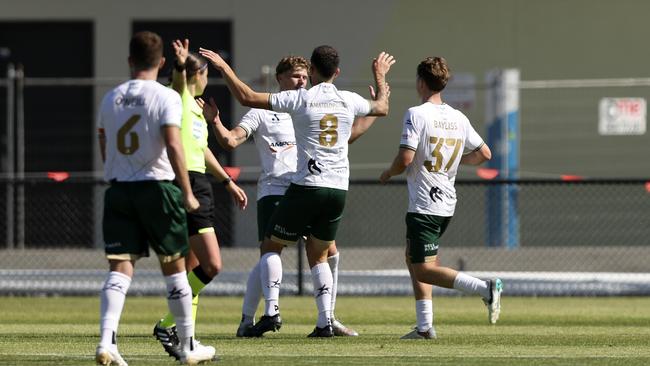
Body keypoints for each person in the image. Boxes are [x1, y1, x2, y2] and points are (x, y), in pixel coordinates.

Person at [199, 45, 394, 337]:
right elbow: (231, 138)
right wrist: (380, 81)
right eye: (294, 76)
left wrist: (224, 68)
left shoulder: (303, 102)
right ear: (279, 79)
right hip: (287, 189)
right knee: (279, 252)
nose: (300, 81)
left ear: (313, 73)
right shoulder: (282, 108)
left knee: (310, 252)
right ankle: (258, 317)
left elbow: (350, 134)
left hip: (305, 187)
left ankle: (324, 317)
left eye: (304, 75)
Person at [95, 31, 215, 366]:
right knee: (176, 270)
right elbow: (174, 145)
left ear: (130, 60)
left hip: (119, 189)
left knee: (120, 269)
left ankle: (107, 342)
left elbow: (104, 140)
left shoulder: (111, 98)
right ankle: (188, 345)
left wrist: (113, 171)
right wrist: (187, 192)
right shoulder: (166, 97)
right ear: (161, 62)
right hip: (157, 189)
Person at [379, 56, 502, 339]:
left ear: (421, 82)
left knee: (422, 269)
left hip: (425, 203)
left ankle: (485, 288)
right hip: (446, 201)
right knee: (413, 257)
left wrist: (388, 172)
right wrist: (455, 162)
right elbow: (484, 154)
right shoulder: (458, 117)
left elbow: (406, 158)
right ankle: (424, 328)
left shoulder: (416, 113)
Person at [152, 39, 247, 359]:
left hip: (202, 182)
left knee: (195, 266)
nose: (208, 78)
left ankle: (184, 337)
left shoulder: (196, 107)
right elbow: (178, 84)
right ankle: (169, 326)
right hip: (185, 182)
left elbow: (203, 151)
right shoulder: (177, 98)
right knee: (211, 264)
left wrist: (228, 182)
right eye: (206, 72)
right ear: (198, 73)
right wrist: (180, 64)